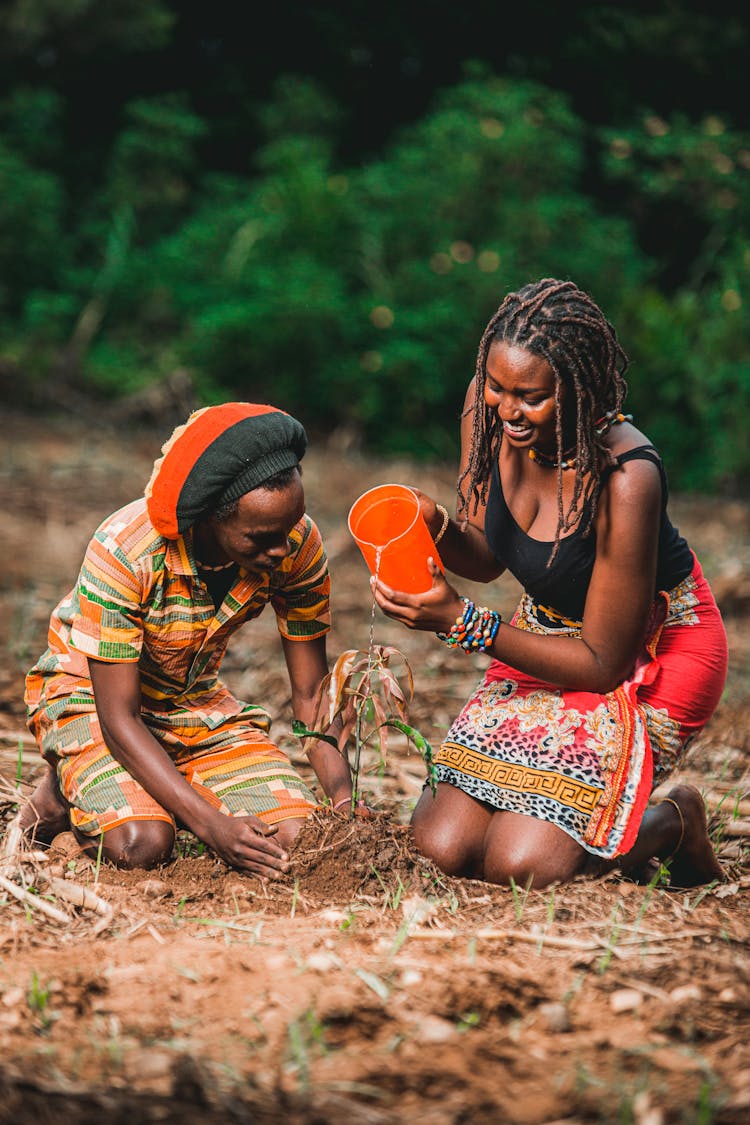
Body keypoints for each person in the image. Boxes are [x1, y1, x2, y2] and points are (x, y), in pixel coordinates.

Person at [371, 278, 729, 890]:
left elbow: (600, 665)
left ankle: (675, 821)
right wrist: (432, 525)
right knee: (439, 849)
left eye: (530, 397)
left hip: (649, 653)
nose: (507, 410)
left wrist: (464, 623)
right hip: (545, 633)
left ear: (580, 393)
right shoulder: (490, 413)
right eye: (496, 387)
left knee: (523, 866)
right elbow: (486, 554)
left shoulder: (625, 476)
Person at [21, 402, 354, 877]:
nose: (281, 550)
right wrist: (213, 826)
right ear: (207, 519)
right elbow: (119, 718)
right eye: (261, 538)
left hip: (189, 703)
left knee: (296, 838)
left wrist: (343, 801)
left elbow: (310, 695)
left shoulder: (295, 545)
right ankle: (63, 788)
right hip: (92, 701)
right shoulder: (126, 551)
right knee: (142, 844)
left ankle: (130, 787)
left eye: (289, 528)